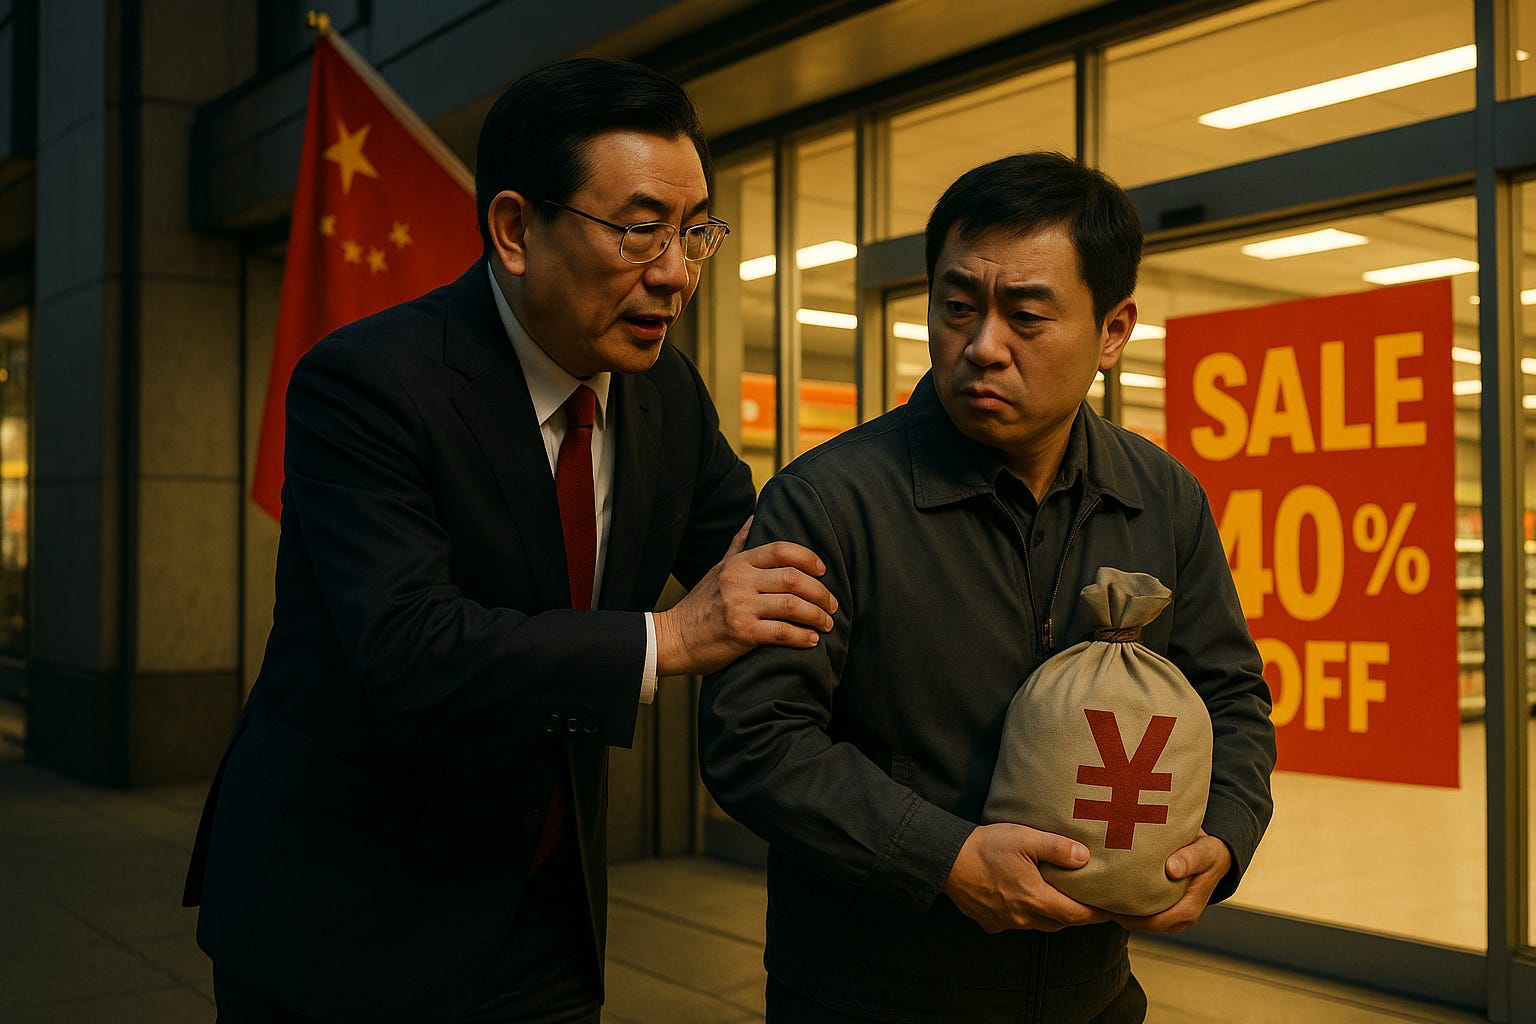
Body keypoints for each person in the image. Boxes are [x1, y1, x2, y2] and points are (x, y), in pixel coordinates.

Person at [183, 57, 837, 1024]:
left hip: (544, 915)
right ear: (515, 230)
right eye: (641, 230)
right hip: (345, 912)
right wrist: (667, 637)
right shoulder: (366, 384)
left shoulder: (666, 392)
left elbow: (753, 555)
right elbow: (408, 643)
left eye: (696, 230)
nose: (676, 273)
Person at [698, 151, 1277, 1024]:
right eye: (957, 307)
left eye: (1027, 316)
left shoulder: (1161, 498)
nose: (982, 347)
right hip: (875, 997)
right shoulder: (834, 502)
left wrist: (1227, 835)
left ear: (1113, 330)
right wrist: (943, 857)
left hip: (1091, 995)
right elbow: (756, 738)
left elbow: (1230, 696)